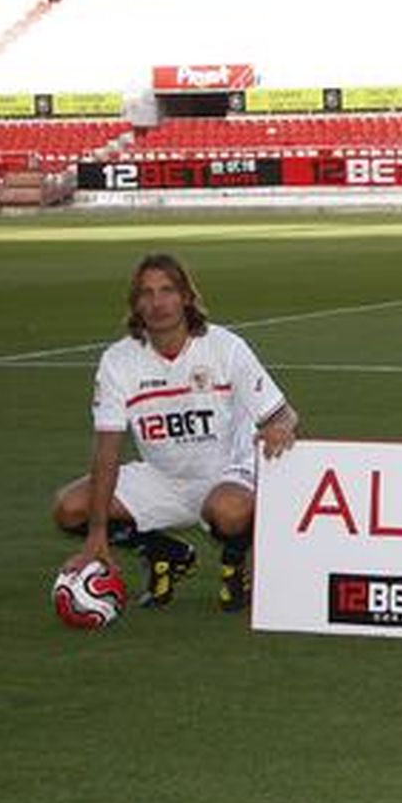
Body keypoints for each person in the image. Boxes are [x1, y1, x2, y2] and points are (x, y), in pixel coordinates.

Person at [53, 253, 299, 612]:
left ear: (185, 296)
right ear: (135, 304)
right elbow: (107, 451)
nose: (158, 303)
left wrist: (281, 430)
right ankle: (163, 553)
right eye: (146, 293)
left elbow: (285, 415)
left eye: (167, 290)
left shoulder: (225, 347)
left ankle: (235, 563)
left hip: (230, 473)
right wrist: (96, 536)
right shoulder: (118, 361)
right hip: (163, 478)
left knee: (228, 510)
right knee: (70, 508)